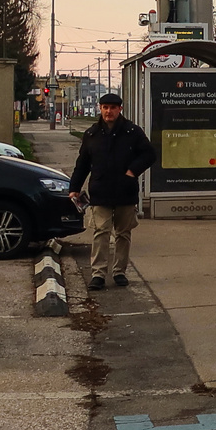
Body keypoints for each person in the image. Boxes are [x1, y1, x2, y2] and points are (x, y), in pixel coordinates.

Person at [70, 93, 155, 291]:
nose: (109, 111)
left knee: (123, 233)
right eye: (105, 107)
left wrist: (132, 171)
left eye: (113, 108)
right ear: (100, 108)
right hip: (100, 191)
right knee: (101, 231)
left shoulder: (132, 132)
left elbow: (149, 154)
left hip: (125, 191)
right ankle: (98, 274)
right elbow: (82, 163)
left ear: (120, 109)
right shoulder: (92, 134)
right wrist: (74, 188)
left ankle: (119, 272)